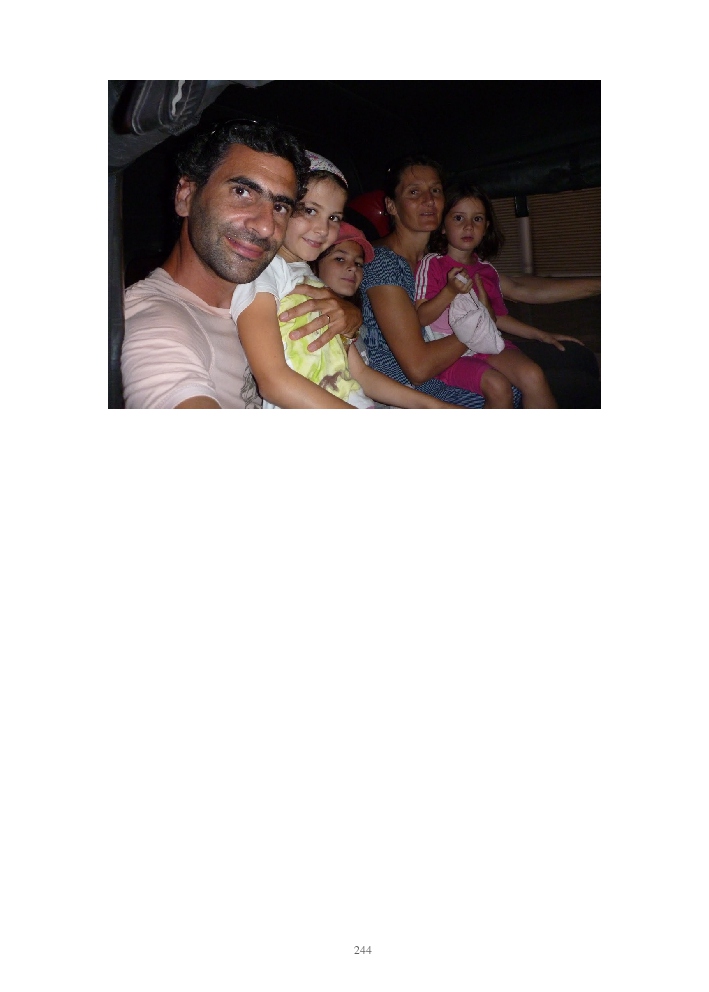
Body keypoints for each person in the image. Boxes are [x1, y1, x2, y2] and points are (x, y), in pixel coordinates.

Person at [121, 122, 362, 409]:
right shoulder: (158, 323)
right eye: (242, 192)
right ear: (185, 196)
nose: (265, 226)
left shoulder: (280, 289)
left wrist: (350, 320)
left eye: (280, 207)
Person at [230, 159, 459, 409]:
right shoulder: (262, 273)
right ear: (282, 207)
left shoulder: (314, 283)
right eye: (310, 210)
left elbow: (360, 374)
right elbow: (274, 381)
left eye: (333, 217)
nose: (322, 228)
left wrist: (433, 406)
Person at [359, 154, 509, 409]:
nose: (428, 200)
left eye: (435, 190)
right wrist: (481, 322)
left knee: (523, 380)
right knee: (507, 389)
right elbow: (418, 369)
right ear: (392, 206)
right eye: (414, 192)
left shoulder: (435, 261)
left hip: (445, 369)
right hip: (405, 390)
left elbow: (516, 286)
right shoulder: (383, 262)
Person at [414, 180, 561, 407]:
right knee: (497, 385)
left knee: (533, 375)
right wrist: (450, 291)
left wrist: (540, 334)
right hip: (450, 353)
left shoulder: (486, 270)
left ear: (486, 227)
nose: (469, 227)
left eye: (477, 219)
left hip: (486, 342)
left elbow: (497, 317)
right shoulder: (432, 264)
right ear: (442, 226)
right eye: (458, 218)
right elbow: (421, 317)